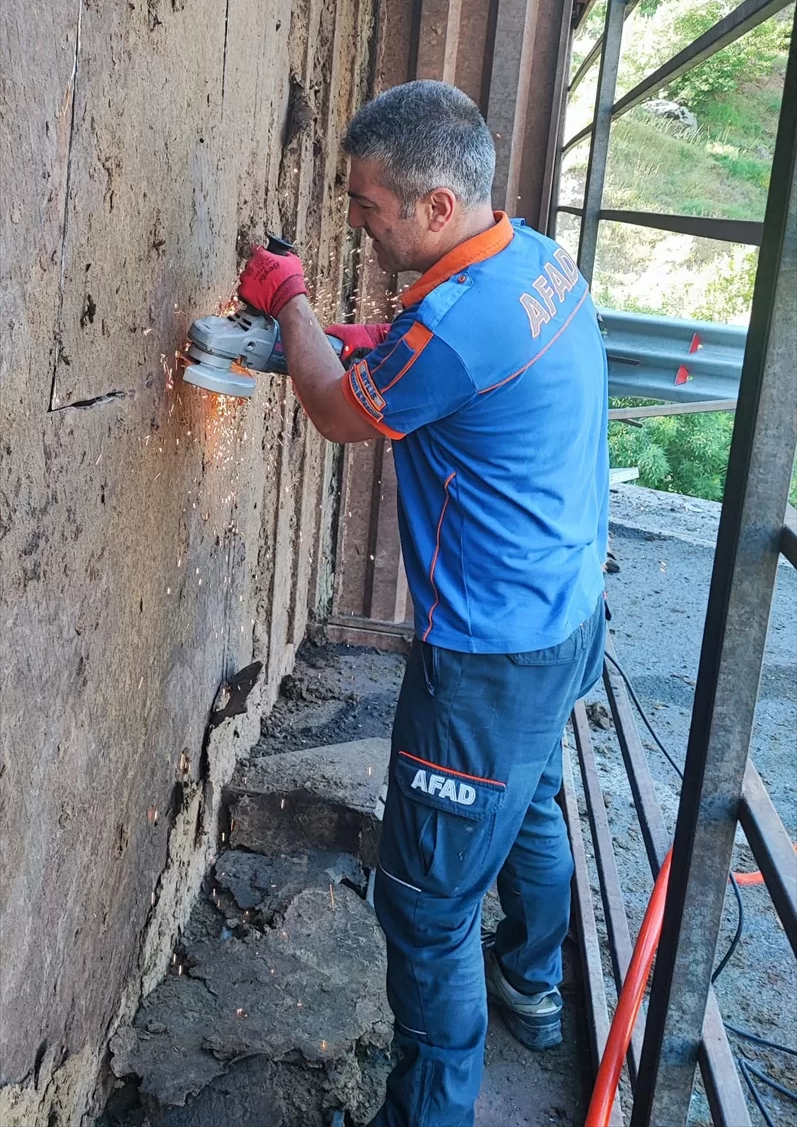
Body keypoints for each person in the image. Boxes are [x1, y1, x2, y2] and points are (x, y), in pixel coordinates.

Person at [237, 79, 609, 1127]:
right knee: (529, 802)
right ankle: (532, 986)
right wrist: (359, 337)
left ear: (436, 205)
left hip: (488, 661)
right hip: (566, 612)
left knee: (426, 908)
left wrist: (290, 303)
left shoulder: (456, 325)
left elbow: (334, 412)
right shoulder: (530, 260)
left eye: (369, 207)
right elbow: (433, 356)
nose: (359, 224)